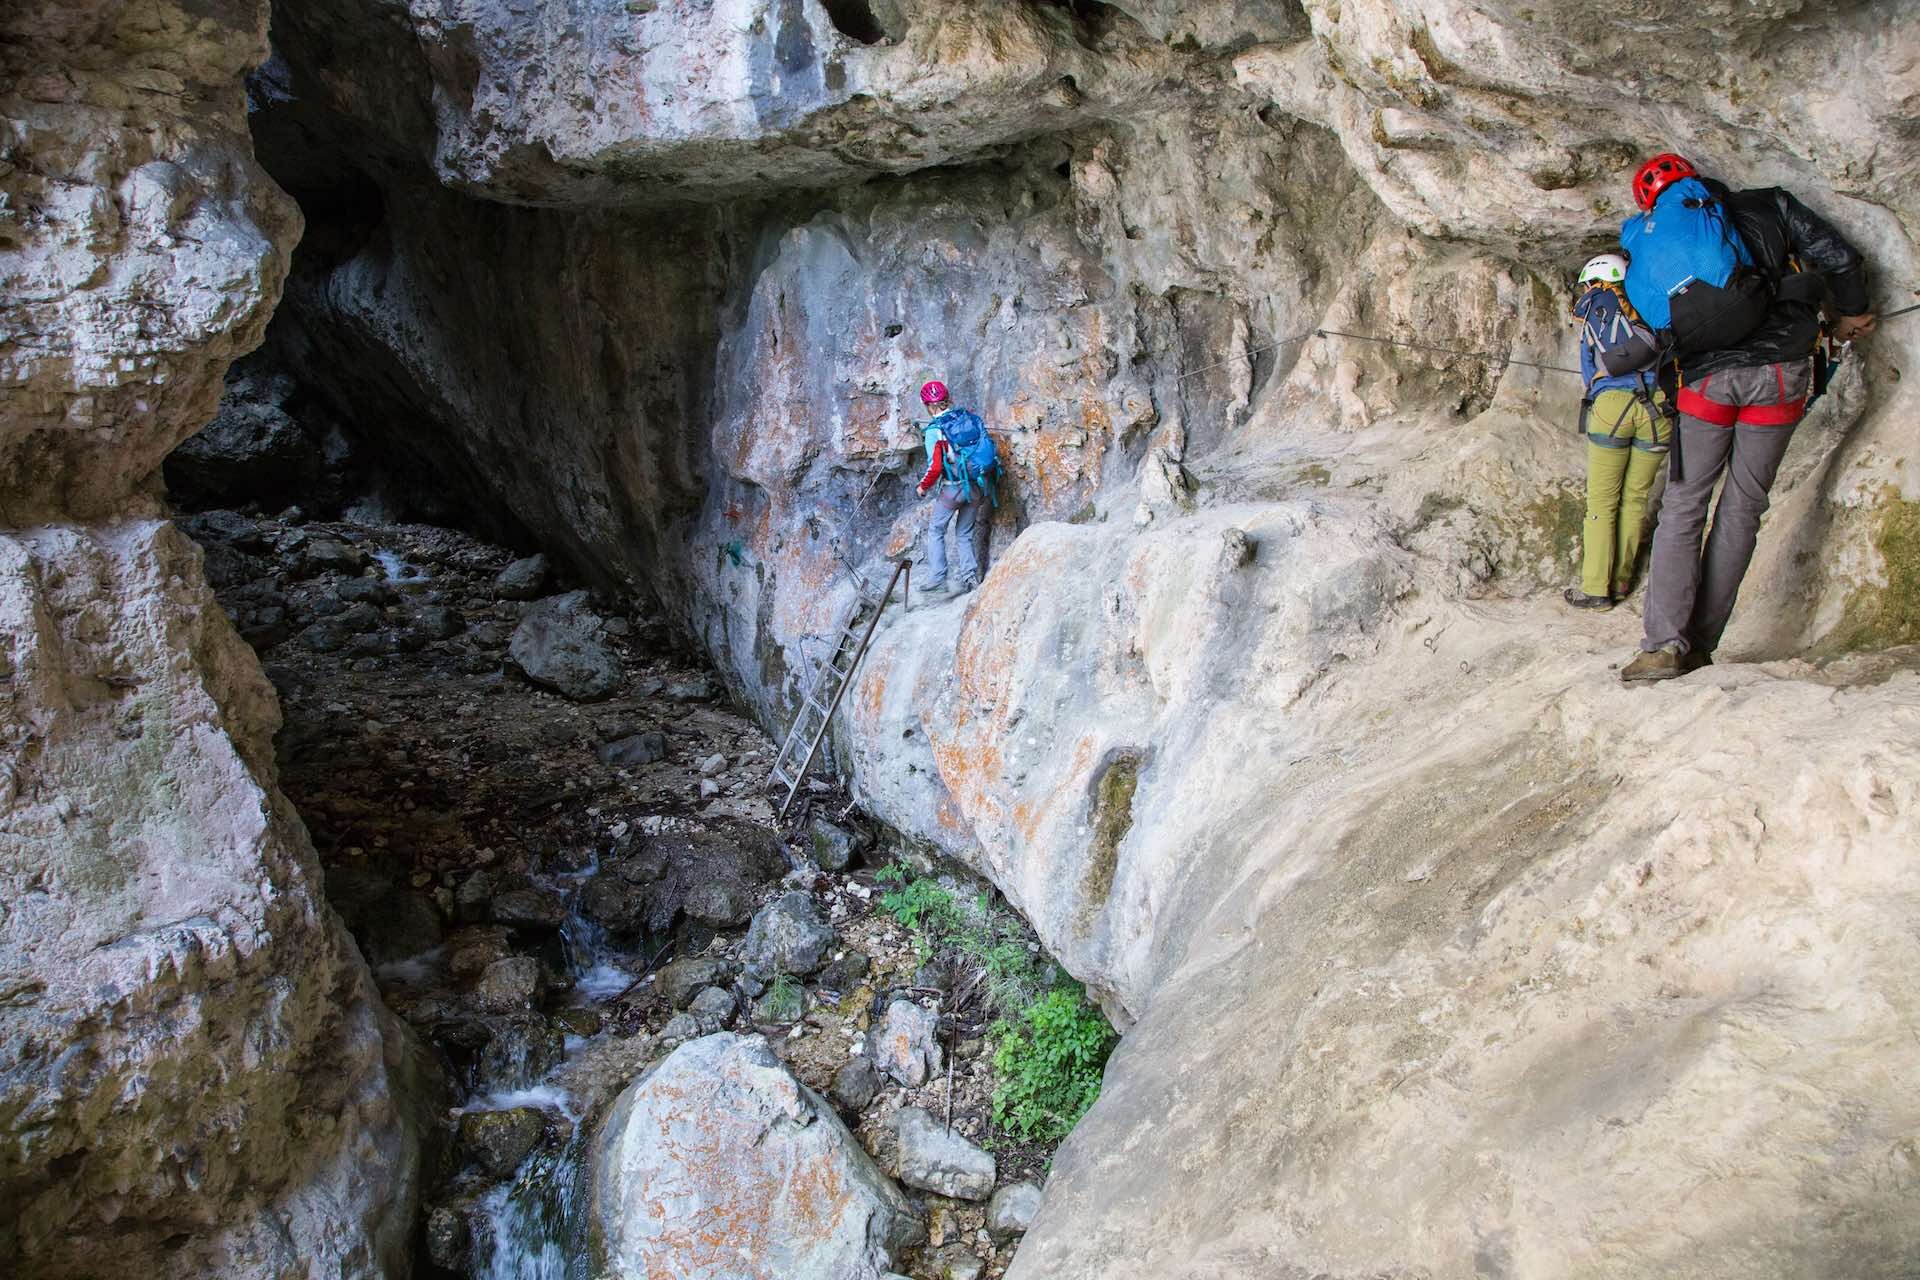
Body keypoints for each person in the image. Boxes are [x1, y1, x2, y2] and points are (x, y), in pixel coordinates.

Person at [1618, 153, 1876, 681]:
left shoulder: (1654, 237)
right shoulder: (1771, 206)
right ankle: (1701, 647)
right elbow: (1840, 258)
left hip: (1707, 384)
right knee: (1742, 507)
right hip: (1780, 377)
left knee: (1684, 505)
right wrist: (1850, 312)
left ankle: (1662, 645)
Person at [1565, 252, 1669, 611]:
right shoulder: (1652, 301)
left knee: (1602, 502)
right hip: (1658, 408)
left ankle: (1596, 588)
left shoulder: (1597, 305)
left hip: (1613, 407)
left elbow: (1589, 365)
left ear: (1595, 280)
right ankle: (1622, 582)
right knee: (1635, 499)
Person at [913, 379, 995, 597]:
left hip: (954, 489)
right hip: (977, 486)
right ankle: (970, 578)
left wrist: (922, 487)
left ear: (928, 406)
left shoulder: (935, 431)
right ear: (948, 400)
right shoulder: (967, 417)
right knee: (964, 533)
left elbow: (936, 467)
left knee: (936, 530)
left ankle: (938, 576)